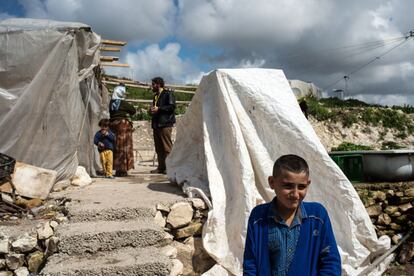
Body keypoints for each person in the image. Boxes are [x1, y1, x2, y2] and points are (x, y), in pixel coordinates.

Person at [243, 154, 341, 276]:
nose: (295, 194)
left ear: (308, 184)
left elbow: (331, 262)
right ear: (272, 182)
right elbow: (250, 264)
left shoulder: (317, 216)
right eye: (288, 186)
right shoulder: (258, 218)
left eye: (301, 187)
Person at [149, 77, 176, 174]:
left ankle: (170, 168)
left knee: (167, 147)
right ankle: (161, 167)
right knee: (158, 147)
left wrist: (159, 109)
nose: (152, 86)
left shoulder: (168, 94)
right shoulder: (155, 96)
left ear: (158, 84)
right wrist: (151, 111)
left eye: (153, 84)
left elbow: (172, 107)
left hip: (165, 123)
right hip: (156, 124)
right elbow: (156, 109)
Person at [109, 82, 136, 177]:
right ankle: (123, 169)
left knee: (116, 146)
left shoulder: (111, 103)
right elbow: (133, 110)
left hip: (113, 125)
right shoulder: (123, 103)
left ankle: (117, 169)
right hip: (123, 126)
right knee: (124, 147)